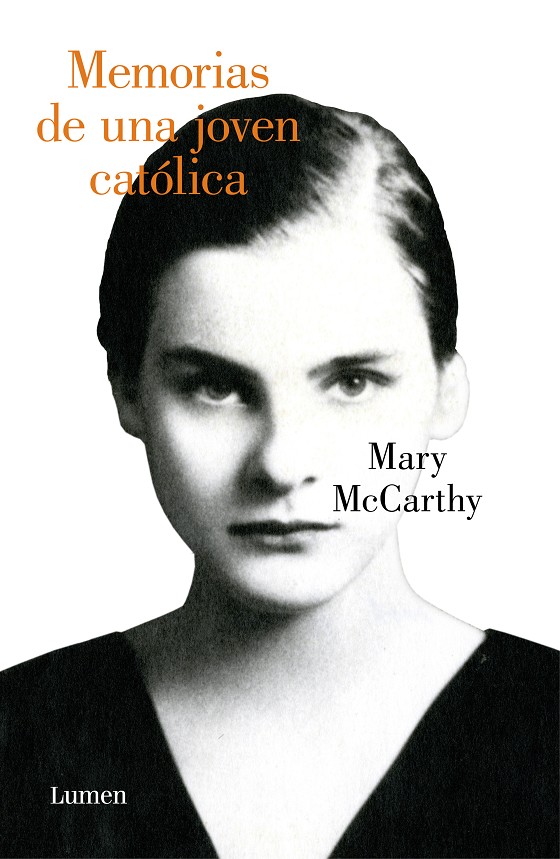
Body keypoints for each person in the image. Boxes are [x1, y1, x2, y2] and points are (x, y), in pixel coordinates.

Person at [1, 94, 557, 859]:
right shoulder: (19, 748)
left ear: (446, 390)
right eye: (215, 386)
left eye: (352, 382)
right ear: (127, 391)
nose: (283, 462)